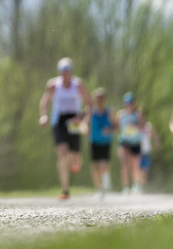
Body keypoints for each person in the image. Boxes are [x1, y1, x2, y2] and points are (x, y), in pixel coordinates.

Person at [39, 57, 92, 200]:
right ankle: (65, 189)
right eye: (62, 71)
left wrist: (84, 120)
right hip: (59, 121)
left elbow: (89, 105)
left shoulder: (78, 84)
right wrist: (43, 116)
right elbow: (44, 102)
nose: (65, 74)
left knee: (75, 158)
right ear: (59, 72)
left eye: (67, 71)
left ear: (71, 72)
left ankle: (75, 162)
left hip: (75, 120)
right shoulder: (53, 85)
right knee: (62, 154)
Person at [86, 87, 117, 199]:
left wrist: (110, 130)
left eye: (101, 98)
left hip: (105, 141)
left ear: (105, 99)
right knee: (95, 166)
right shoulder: (90, 112)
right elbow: (85, 124)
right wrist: (85, 129)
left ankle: (105, 182)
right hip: (94, 141)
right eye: (97, 98)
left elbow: (117, 126)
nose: (99, 100)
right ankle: (99, 189)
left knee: (104, 164)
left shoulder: (109, 112)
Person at [117, 92, 146, 194]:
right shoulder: (121, 115)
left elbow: (143, 127)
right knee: (124, 164)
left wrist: (136, 124)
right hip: (124, 141)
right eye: (127, 103)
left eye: (131, 103)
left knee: (135, 165)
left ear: (133, 103)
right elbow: (117, 127)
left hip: (135, 142)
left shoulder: (137, 114)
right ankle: (125, 187)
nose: (129, 105)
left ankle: (136, 185)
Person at [138, 119, 161, 190]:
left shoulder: (149, 126)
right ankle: (137, 184)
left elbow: (155, 135)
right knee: (138, 169)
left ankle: (142, 186)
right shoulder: (136, 126)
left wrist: (157, 143)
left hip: (146, 151)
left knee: (145, 170)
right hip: (137, 152)